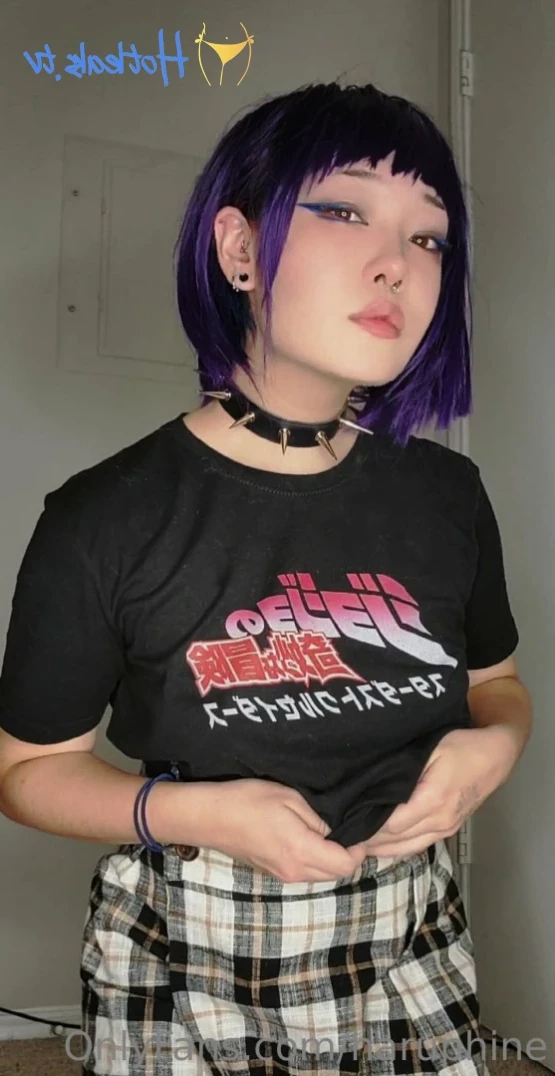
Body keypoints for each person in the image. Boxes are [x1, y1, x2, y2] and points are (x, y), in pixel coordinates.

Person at [0, 80, 532, 1076]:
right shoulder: (103, 518)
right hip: (189, 952)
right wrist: (196, 813)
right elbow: (26, 773)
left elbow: (496, 685)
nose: (397, 263)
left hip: (411, 933)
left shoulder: (448, 496)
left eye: (428, 236)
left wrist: (493, 747)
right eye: (345, 210)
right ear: (240, 249)